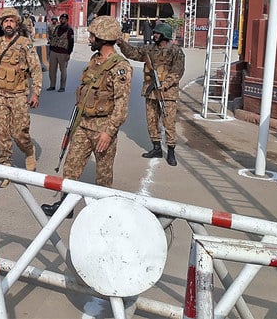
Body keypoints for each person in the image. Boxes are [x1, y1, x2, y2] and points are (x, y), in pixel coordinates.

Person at [41, 16, 132, 217]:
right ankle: (66, 207)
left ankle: (104, 213)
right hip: (83, 124)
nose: (89, 38)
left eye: (92, 35)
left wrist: (108, 133)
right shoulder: (95, 60)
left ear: (102, 37)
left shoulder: (120, 67)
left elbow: (121, 106)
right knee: (71, 166)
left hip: (103, 127)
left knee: (103, 174)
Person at [0, 7, 42, 187]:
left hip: (18, 95)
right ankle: (5, 167)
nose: (8, 24)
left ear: (17, 24)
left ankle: (29, 151)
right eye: (5, 21)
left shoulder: (26, 43)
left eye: (11, 21)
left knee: (19, 132)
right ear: (2, 24)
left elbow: (36, 69)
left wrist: (36, 92)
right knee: (2, 132)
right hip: (0, 94)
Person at [117, 22, 185, 166]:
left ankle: (171, 152)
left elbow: (177, 71)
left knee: (169, 123)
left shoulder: (176, 51)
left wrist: (165, 84)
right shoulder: (149, 49)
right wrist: (121, 44)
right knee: (151, 121)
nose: (154, 35)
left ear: (164, 36)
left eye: (157, 33)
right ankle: (156, 148)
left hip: (168, 94)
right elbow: (133, 53)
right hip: (151, 91)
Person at [46, 13, 74, 92]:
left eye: (64, 19)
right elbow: (53, 37)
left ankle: (62, 87)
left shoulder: (70, 30)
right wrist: (51, 49)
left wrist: (69, 53)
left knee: (63, 70)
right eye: (61, 18)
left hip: (63, 52)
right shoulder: (57, 28)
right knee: (52, 70)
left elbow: (71, 43)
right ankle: (52, 85)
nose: (62, 20)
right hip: (54, 51)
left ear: (67, 20)